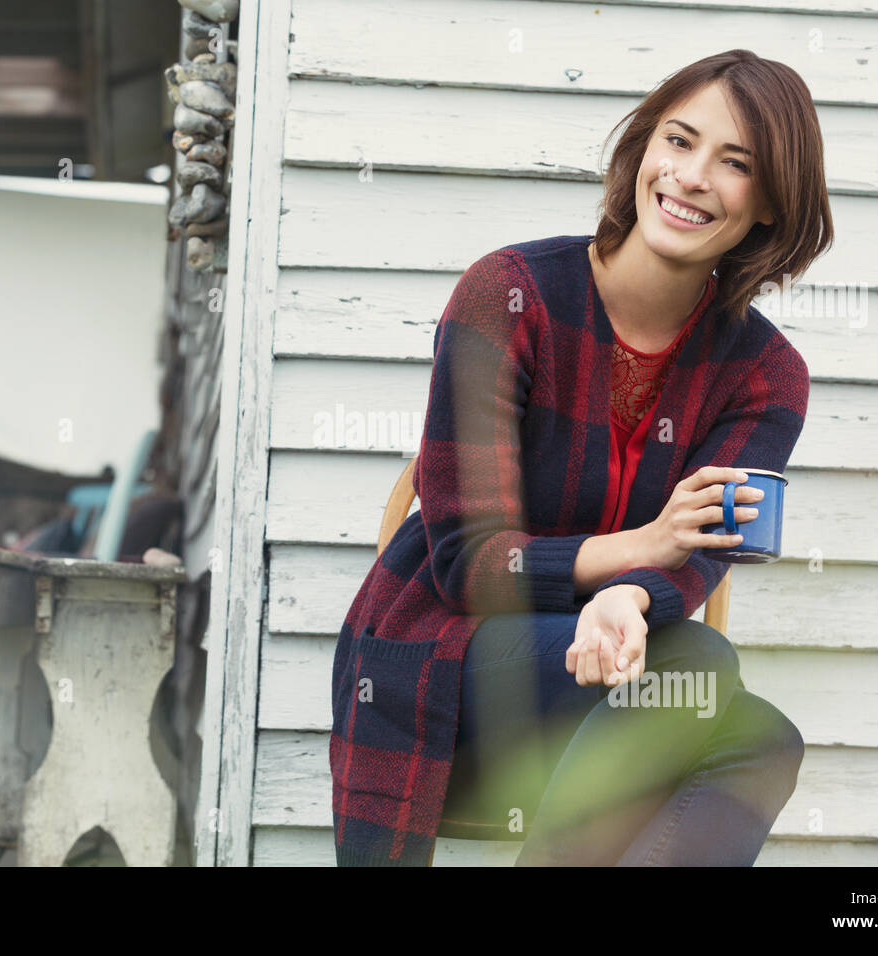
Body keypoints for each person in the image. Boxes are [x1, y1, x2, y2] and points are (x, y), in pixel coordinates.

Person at [330, 49, 834, 866]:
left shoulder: (766, 375)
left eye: (736, 163)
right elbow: (467, 564)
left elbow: (704, 551)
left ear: (772, 204)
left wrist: (629, 600)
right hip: (442, 669)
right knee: (700, 663)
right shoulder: (509, 296)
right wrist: (634, 560)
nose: (694, 176)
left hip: (624, 684)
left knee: (763, 740)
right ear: (642, 151)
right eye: (679, 141)